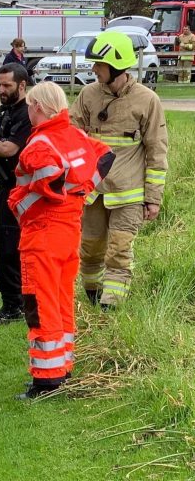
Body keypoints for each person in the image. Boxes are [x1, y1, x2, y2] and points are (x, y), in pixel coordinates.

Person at [7, 82, 113, 399]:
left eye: (29, 106)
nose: (28, 110)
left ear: (38, 107)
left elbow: (50, 173)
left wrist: (43, 194)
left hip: (43, 234)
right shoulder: (75, 136)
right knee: (62, 301)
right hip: (69, 232)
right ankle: (63, 368)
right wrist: (80, 192)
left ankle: (46, 380)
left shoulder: (39, 144)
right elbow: (106, 156)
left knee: (40, 305)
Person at [71, 31, 169, 310]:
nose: (93, 69)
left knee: (118, 251)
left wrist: (153, 198)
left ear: (117, 65)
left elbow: (157, 151)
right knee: (89, 250)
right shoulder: (88, 95)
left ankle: (110, 307)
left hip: (128, 194)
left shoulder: (147, 100)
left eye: (99, 65)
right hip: (93, 193)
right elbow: (71, 134)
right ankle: (92, 295)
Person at [0, 63, 33, 326]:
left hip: (19, 189)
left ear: (22, 85)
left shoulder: (26, 113)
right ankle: (13, 303)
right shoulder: (8, 111)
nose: (1, 90)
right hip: (6, 187)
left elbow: (9, 149)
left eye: (7, 86)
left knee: (9, 249)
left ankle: (14, 306)